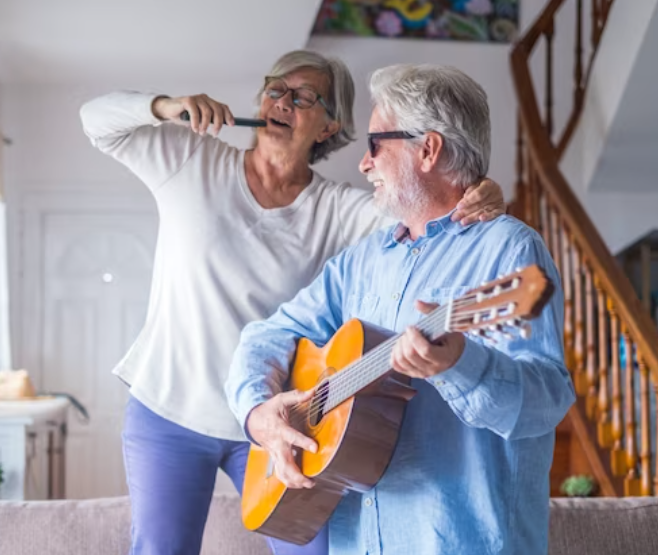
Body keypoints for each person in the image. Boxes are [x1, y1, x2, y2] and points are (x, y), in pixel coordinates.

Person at [80, 50, 505, 555]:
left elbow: (424, 209)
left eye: (304, 97)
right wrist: (166, 106)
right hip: (169, 409)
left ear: (329, 126)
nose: (282, 101)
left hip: (279, 414)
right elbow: (95, 120)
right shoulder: (190, 159)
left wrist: (480, 190)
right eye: (275, 88)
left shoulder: (339, 209)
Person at [227, 63, 576, 555]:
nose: (363, 164)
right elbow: (266, 335)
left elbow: (547, 401)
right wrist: (258, 412)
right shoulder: (360, 262)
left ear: (428, 150)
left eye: (375, 146)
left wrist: (461, 364)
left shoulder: (509, 250)